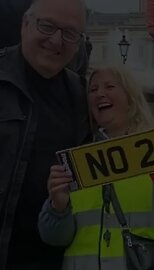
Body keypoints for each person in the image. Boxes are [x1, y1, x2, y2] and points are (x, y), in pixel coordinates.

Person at [38, 66, 154, 269]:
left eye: (109, 86)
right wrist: (57, 207)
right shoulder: (75, 161)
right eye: (93, 89)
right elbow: (54, 238)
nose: (100, 93)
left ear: (130, 97)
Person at [0, 0, 89, 269]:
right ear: (25, 24)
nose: (57, 40)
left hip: (54, 256)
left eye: (70, 33)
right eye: (47, 26)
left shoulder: (84, 94)